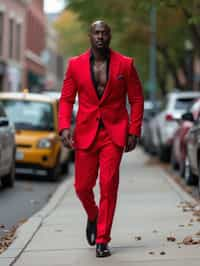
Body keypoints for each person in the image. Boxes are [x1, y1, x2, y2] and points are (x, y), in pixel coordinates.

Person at [58, 20, 144, 257]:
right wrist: (64, 127)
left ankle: (103, 239)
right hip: (86, 133)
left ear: (110, 36)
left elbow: (136, 99)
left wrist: (134, 130)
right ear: (89, 36)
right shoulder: (75, 65)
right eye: (96, 33)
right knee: (82, 187)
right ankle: (93, 215)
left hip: (114, 133)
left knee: (108, 185)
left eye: (104, 33)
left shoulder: (125, 65)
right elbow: (66, 99)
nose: (100, 37)